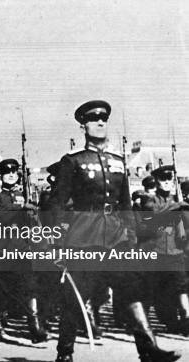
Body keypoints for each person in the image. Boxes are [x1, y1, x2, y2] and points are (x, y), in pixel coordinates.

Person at [49, 100, 181, 362]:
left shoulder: (118, 162)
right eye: (93, 119)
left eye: (103, 119)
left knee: (132, 291)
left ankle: (149, 349)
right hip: (84, 240)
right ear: (83, 125)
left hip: (116, 239)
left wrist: (131, 236)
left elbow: (125, 205)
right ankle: (64, 354)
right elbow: (56, 206)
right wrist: (57, 243)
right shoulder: (72, 162)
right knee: (76, 299)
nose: (100, 123)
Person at [0, 158, 48, 344]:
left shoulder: (23, 194)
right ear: (1, 176)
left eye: (14, 173)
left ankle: (34, 327)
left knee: (29, 287)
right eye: (7, 173)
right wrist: (22, 207)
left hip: (21, 248)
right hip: (1, 248)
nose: (11, 175)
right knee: (0, 289)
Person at [139, 165, 189, 336]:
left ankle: (186, 317)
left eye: (170, 179)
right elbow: (150, 216)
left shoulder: (179, 202)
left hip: (176, 252)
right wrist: (177, 207)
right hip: (157, 253)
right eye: (163, 180)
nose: (167, 183)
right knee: (160, 294)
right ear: (157, 182)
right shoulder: (150, 200)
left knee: (181, 288)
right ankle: (170, 322)